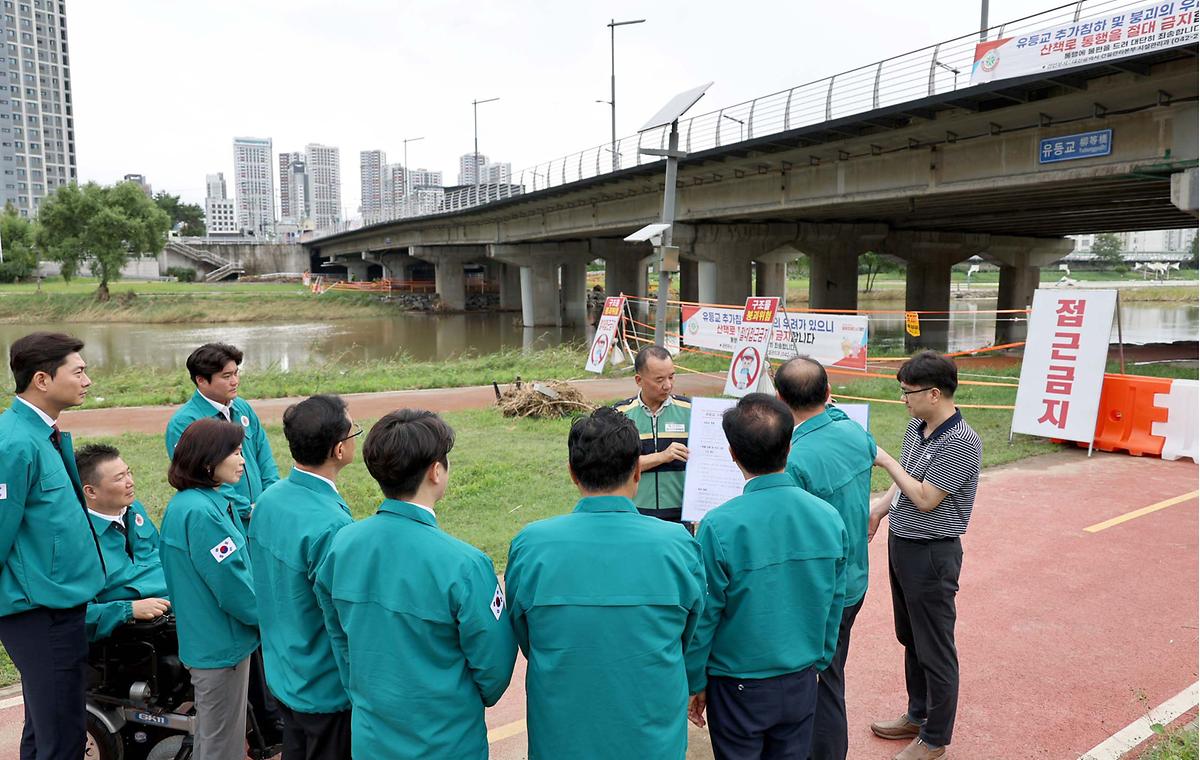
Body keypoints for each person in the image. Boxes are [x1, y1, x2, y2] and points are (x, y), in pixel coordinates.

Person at [505, 407, 706, 759]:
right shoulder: (677, 544)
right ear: (637, 473)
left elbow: (525, 635)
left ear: (572, 473)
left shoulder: (531, 545)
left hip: (561, 736)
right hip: (651, 737)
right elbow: (689, 633)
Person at [314, 410, 516, 759]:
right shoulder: (465, 565)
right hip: (446, 742)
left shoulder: (341, 545)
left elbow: (338, 636)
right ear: (436, 471)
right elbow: (494, 671)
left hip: (372, 738)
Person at [686, 393, 848, 760]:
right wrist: (819, 660)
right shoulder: (827, 517)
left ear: (731, 453)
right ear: (790, 446)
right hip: (801, 675)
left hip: (738, 682)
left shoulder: (719, 525)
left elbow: (707, 612)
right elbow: (834, 600)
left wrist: (696, 679)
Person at [867, 351, 982, 760]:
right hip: (903, 544)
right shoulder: (919, 427)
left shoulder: (962, 441)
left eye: (908, 392)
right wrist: (880, 510)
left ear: (934, 393)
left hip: (932, 554)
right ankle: (917, 714)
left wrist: (883, 460)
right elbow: (905, 485)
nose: (903, 399)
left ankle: (935, 738)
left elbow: (926, 497)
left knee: (935, 645)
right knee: (911, 637)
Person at [0, 332, 105, 760]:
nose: (88, 381)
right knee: (61, 736)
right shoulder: (14, 443)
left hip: (56, 602)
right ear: (42, 380)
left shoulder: (41, 433)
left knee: (46, 729)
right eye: (78, 371)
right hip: (39, 611)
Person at [775, 357, 877, 760]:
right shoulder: (854, 431)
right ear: (828, 391)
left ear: (781, 399)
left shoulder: (794, 460)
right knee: (831, 674)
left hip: (821, 591)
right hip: (854, 580)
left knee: (820, 683)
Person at [248, 395, 358, 760]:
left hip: (285, 672)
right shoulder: (332, 525)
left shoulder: (270, 499)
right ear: (339, 449)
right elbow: (344, 619)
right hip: (326, 687)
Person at [160, 418, 259, 760]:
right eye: (234, 452)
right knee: (223, 745)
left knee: (210, 734)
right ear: (207, 461)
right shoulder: (204, 514)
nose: (243, 460)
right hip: (221, 645)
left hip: (207, 641)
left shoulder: (190, 504)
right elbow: (233, 587)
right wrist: (273, 618)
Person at [165, 342, 279, 527]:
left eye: (236, 373)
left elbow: (264, 456)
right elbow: (196, 476)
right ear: (201, 380)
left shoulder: (242, 407)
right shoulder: (184, 423)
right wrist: (247, 509)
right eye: (226, 376)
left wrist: (270, 498)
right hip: (223, 519)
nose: (235, 381)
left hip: (261, 515)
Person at [76, 443, 170, 642]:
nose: (131, 482)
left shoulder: (135, 510)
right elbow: (75, 615)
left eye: (129, 473)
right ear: (91, 491)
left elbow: (160, 553)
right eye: (120, 478)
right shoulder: (77, 539)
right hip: (136, 632)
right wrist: (128, 609)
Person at [614, 345, 691, 523]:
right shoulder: (620, 414)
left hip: (680, 516)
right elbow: (617, 465)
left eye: (671, 377)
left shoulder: (691, 411)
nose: (668, 385)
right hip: (635, 513)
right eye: (659, 380)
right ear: (639, 380)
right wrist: (662, 456)